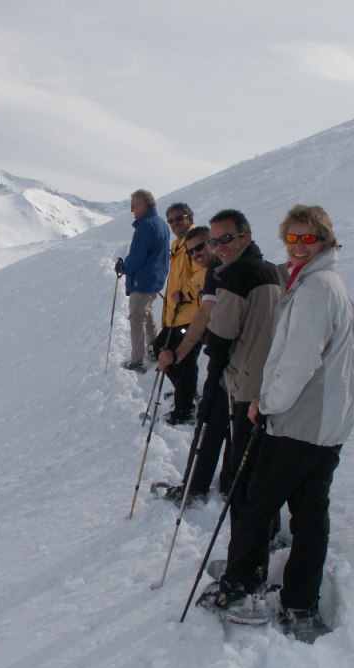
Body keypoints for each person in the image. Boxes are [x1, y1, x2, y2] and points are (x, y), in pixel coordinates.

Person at [200, 205, 354, 642]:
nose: (297, 246)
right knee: (309, 513)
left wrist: (267, 403)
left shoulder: (315, 289)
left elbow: (298, 361)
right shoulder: (324, 282)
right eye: (291, 238)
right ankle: (299, 602)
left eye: (307, 238)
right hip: (328, 421)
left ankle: (242, 587)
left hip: (300, 420)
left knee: (258, 500)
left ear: (325, 240)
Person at [202, 210, 282, 519]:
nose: (219, 247)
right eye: (214, 241)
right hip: (273, 382)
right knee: (263, 464)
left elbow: (221, 335)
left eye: (226, 238)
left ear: (246, 237)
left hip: (247, 384)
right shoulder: (271, 270)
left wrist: (212, 350)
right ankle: (267, 530)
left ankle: (246, 542)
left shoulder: (235, 275)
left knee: (243, 467)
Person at [157, 227, 230, 503]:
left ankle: (195, 488)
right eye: (191, 251)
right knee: (229, 423)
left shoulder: (218, 271)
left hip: (228, 361)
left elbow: (204, 315)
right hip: (232, 360)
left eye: (201, 247)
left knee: (210, 422)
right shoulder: (217, 270)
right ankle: (228, 483)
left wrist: (177, 354)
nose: (196, 253)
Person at [153, 203, 206, 424]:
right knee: (162, 349)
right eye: (171, 220)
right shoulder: (178, 247)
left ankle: (184, 411)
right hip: (177, 315)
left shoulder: (195, 243)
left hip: (191, 314)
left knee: (184, 362)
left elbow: (203, 272)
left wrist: (185, 294)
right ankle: (186, 394)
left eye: (179, 218)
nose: (175, 223)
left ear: (189, 218)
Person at [115, 190, 170, 372]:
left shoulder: (145, 226)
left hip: (142, 280)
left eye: (132, 206)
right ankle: (154, 348)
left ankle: (137, 361)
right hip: (155, 279)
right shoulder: (161, 223)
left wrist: (122, 268)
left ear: (142, 205)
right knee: (147, 312)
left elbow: (137, 257)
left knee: (137, 317)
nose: (131, 210)